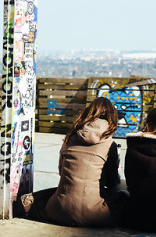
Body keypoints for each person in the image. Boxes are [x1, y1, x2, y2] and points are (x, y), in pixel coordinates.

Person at [19, 97, 123, 226]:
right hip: (94, 215)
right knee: (122, 196)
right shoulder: (110, 144)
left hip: (58, 209)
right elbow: (113, 182)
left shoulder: (70, 137)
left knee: (49, 193)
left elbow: (61, 171)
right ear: (111, 117)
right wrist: (116, 171)